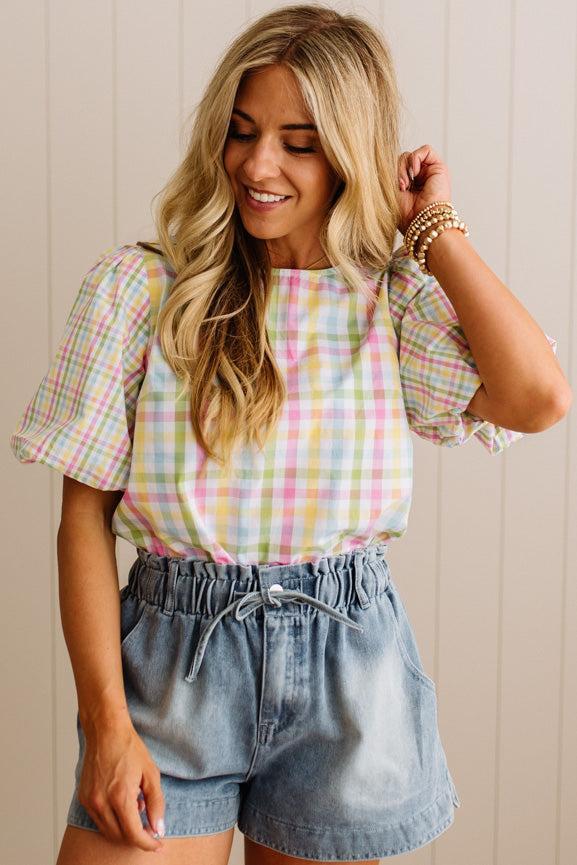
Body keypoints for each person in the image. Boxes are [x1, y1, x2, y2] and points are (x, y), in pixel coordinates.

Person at [9, 4, 569, 864]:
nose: (257, 164)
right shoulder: (141, 292)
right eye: (241, 132)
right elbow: (81, 518)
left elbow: (537, 397)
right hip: (172, 669)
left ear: (349, 151)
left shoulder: (388, 303)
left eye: (299, 142)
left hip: (347, 676)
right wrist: (107, 724)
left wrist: (430, 227)